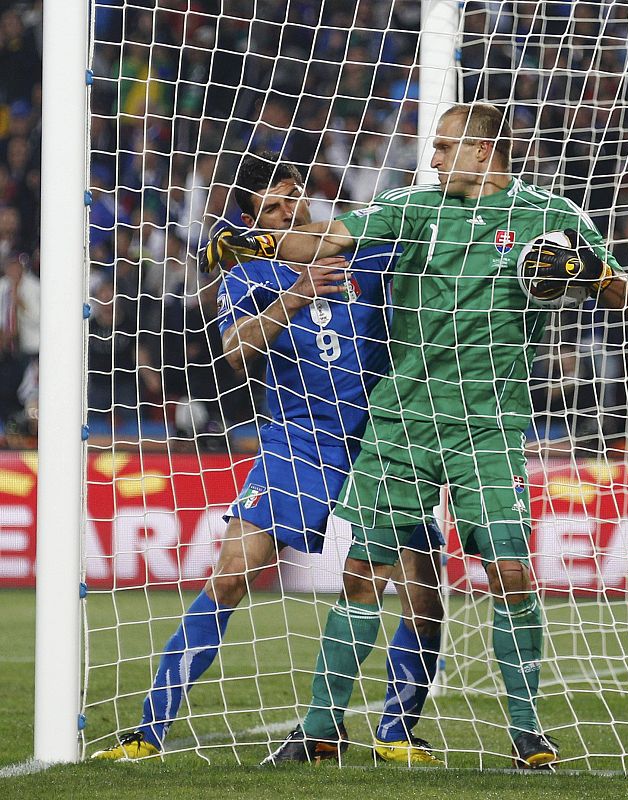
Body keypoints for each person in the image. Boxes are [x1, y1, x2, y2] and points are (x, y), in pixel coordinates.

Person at [205, 104, 628, 769]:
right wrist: (254, 244)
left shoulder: (552, 215)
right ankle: (320, 730)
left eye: (442, 146)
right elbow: (324, 240)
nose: (431, 158)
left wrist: (587, 273)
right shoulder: (412, 207)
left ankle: (527, 735)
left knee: (511, 574)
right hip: (400, 422)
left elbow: (625, 297)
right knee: (362, 577)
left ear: (481, 149)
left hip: (487, 429)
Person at [92, 152, 445, 764]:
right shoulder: (250, 277)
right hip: (295, 443)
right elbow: (234, 352)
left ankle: (397, 733)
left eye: (293, 197)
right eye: (274, 208)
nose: (289, 210)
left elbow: (425, 254)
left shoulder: (365, 250)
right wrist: (297, 295)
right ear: (255, 224)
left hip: (378, 439)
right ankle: (148, 731)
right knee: (230, 577)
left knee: (423, 590)